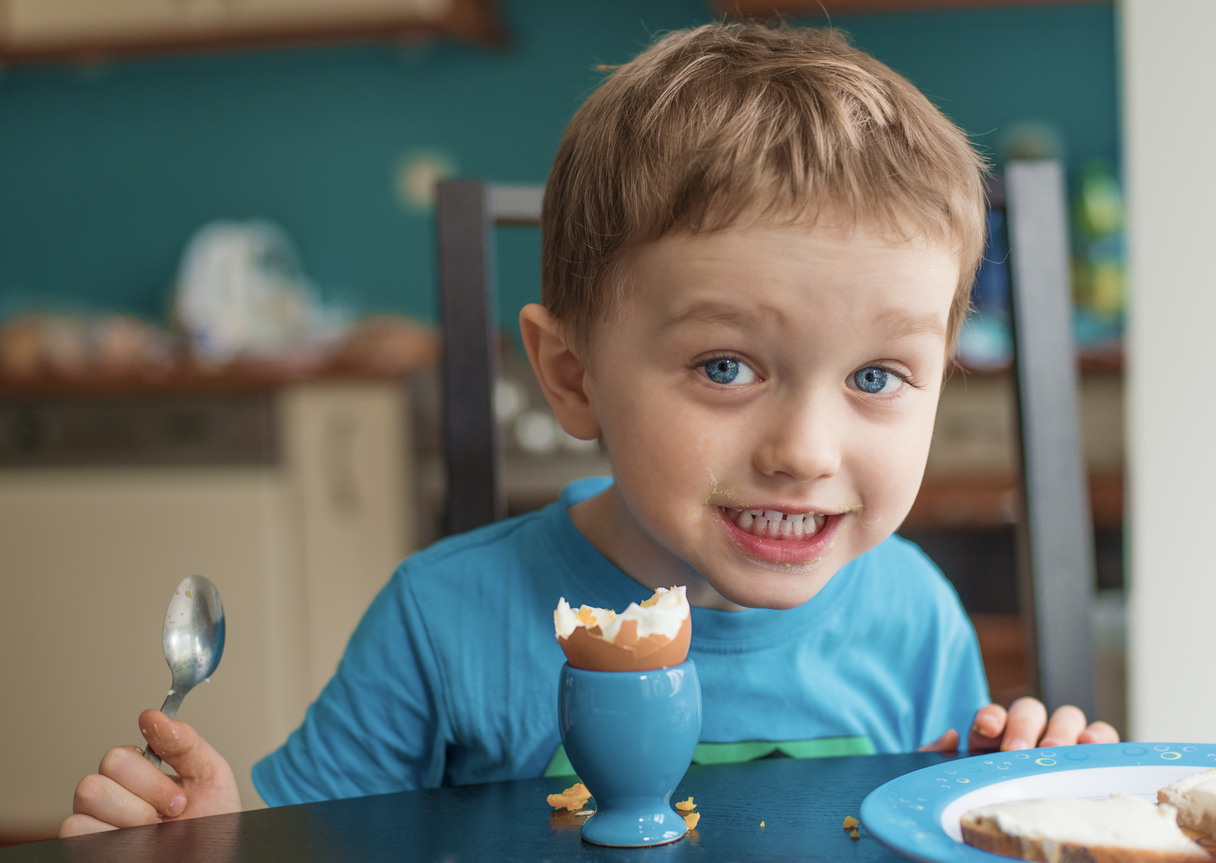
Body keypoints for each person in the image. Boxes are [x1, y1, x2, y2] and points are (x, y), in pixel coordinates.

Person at [61, 21, 1117, 836]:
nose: (804, 449)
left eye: (879, 374)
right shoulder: (443, 623)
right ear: (570, 374)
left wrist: (1015, 796)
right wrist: (209, 839)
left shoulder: (915, 618)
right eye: (724, 365)